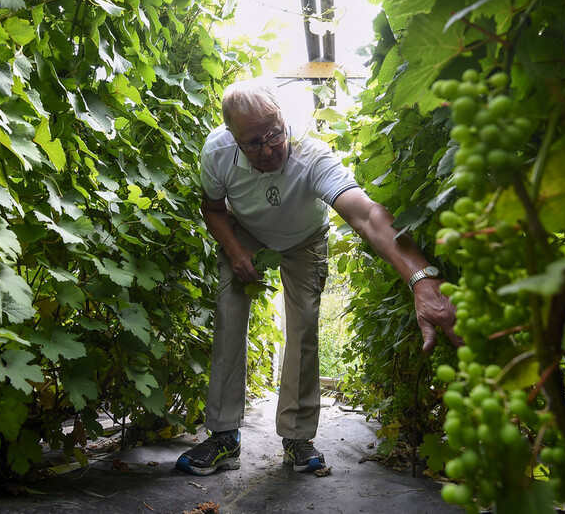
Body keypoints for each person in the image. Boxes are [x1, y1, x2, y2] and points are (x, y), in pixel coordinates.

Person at [175, 79, 458, 476]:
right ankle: (223, 436)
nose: (269, 149)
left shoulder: (312, 155)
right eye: (253, 143)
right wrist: (236, 252)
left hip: (305, 238)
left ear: (283, 120)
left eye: (275, 133)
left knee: (304, 326)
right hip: (247, 233)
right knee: (228, 315)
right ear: (233, 138)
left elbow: (367, 214)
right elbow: (213, 208)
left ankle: (296, 439)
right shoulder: (217, 152)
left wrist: (422, 278)